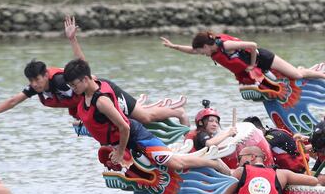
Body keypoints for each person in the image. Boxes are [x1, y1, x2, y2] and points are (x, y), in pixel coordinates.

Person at [0, 16, 190, 127]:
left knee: (146, 117)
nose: (36, 84)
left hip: (104, 91)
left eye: (38, 79)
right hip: (88, 106)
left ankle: (177, 113)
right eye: (32, 81)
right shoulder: (36, 89)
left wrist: (72, 38)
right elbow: (13, 101)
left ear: (46, 75)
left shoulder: (60, 80)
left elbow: (83, 66)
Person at [63, 58, 230, 173]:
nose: (72, 88)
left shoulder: (101, 101)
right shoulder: (87, 87)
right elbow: (83, 64)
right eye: (70, 85)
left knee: (176, 164)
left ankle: (211, 162)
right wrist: (73, 40)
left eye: (73, 84)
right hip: (119, 142)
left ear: (85, 79)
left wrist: (120, 152)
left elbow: (124, 126)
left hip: (136, 137)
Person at [161, 33, 325, 81]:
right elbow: (191, 50)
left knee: (297, 75)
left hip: (264, 58)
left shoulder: (225, 46)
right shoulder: (212, 50)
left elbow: (252, 45)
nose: (201, 54)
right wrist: (174, 46)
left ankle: (320, 75)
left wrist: (252, 65)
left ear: (206, 46)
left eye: (201, 51)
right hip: (256, 67)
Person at [220, 146, 318, 194]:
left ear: (252, 157)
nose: (238, 162)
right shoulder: (282, 174)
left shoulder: (240, 172)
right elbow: (313, 181)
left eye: (240, 157)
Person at [243, 116, 309, 173]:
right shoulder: (264, 135)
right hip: (282, 170)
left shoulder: (275, 135)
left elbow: (260, 149)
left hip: (295, 170)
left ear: (260, 129)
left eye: (251, 134)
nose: (250, 137)